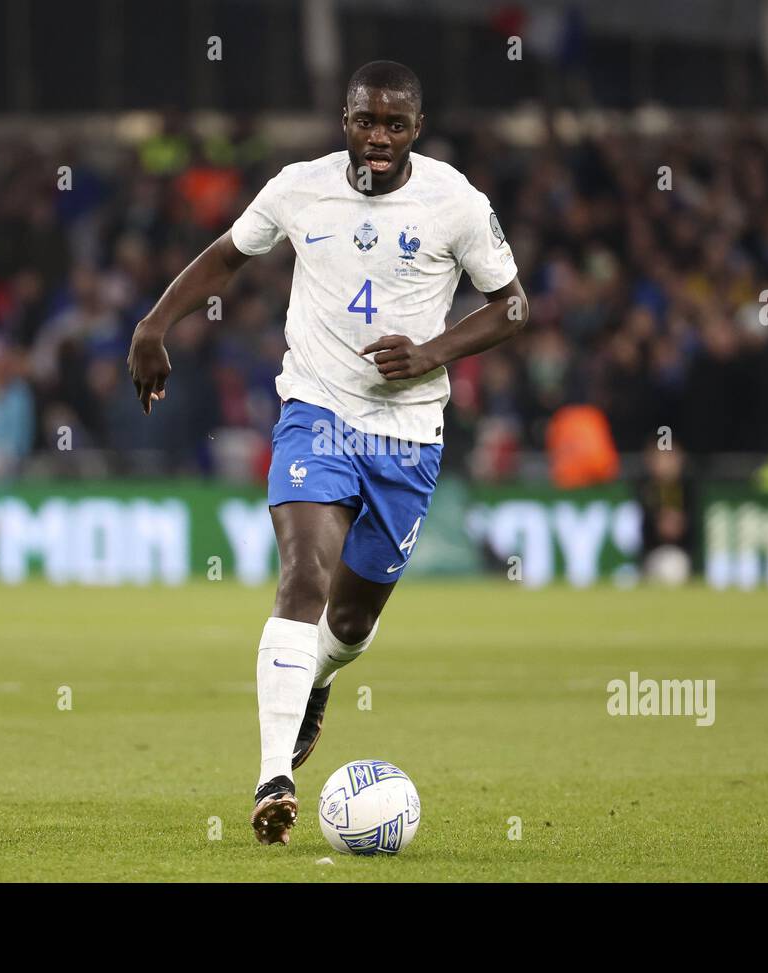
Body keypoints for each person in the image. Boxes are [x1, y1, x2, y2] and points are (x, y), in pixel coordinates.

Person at [126, 60, 529, 845]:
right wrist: (153, 324)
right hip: (317, 412)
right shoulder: (299, 186)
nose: (376, 138)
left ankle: (315, 679)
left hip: (409, 435)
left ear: (417, 127)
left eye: (393, 124)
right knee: (303, 574)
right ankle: (273, 776)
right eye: (363, 120)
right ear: (344, 118)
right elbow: (226, 254)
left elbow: (513, 305)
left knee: (349, 620)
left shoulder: (456, 202)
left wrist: (433, 351)